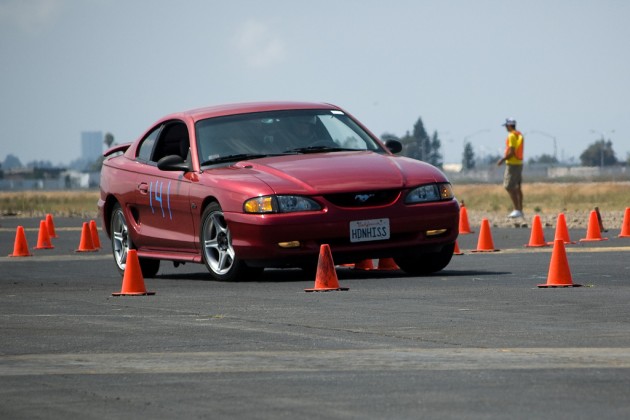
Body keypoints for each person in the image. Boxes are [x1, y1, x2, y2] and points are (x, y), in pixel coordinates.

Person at [496, 118, 524, 218]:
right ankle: (519, 209)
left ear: (509, 126)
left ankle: (517, 209)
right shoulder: (518, 134)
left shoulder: (512, 136)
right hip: (519, 163)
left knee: (509, 186)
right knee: (517, 187)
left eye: (506, 126)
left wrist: (502, 159)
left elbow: (511, 151)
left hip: (512, 164)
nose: (505, 128)